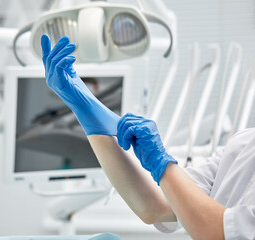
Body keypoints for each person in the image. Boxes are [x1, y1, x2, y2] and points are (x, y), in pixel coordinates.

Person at [40, 34, 255, 240]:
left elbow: (218, 232)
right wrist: (84, 109)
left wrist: (160, 160)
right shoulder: (243, 145)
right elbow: (156, 207)